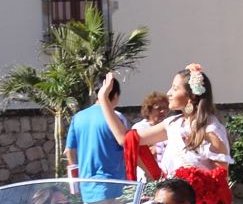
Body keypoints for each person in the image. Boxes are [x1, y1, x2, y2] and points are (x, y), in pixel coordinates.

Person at [98, 66, 233, 175]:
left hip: (198, 201)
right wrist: (104, 99)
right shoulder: (172, 124)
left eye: (175, 89)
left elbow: (219, 183)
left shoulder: (211, 131)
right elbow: (125, 138)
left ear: (192, 96)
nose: (169, 93)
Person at [65, 76, 128, 204]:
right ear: (115, 95)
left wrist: (77, 179)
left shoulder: (78, 117)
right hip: (113, 187)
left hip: (87, 188)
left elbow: (69, 150)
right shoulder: (117, 118)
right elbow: (128, 147)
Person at [133, 91, 170, 179]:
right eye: (158, 108)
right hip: (147, 177)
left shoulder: (169, 126)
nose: (163, 111)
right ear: (149, 110)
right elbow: (144, 153)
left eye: (165, 107)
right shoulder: (140, 128)